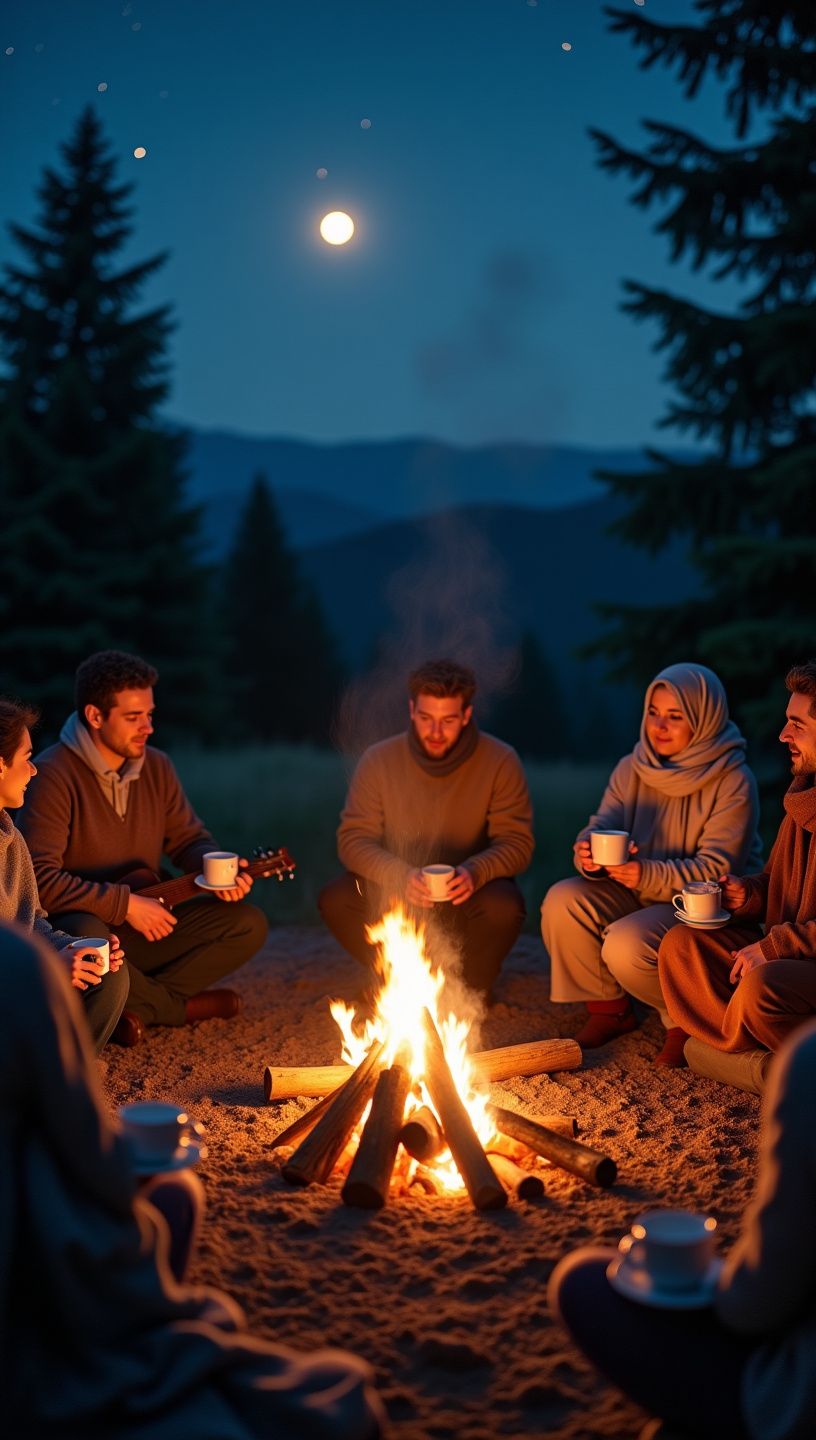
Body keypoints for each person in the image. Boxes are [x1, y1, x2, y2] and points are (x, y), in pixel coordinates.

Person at [0, 920, 384, 1440]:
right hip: (34, 1353)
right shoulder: (17, 969)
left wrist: (63, 946)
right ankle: (175, 1007)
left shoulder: (17, 934)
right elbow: (77, 1149)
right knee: (336, 1390)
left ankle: (162, 1004)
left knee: (182, 946)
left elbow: (36, 916)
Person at [549, 1017, 816, 1440]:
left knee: (580, 1280)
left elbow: (755, 1308)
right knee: (694, 1031)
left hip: (797, 1401)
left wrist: (706, 1284)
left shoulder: (809, 1061)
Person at [18, 650, 268, 1046]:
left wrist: (214, 865)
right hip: (84, 923)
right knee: (98, 949)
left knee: (247, 924)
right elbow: (38, 881)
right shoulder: (52, 774)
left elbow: (188, 838)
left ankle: (132, 1005)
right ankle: (175, 1008)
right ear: (95, 716)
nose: (148, 727)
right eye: (133, 717)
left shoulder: (157, 766)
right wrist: (125, 905)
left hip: (149, 914)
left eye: (149, 714)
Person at [541, 664, 762, 1065]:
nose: (659, 726)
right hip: (638, 890)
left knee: (626, 944)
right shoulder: (633, 767)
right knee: (563, 900)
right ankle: (610, 1010)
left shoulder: (733, 779)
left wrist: (645, 873)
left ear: (704, 718)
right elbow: (603, 823)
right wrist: (588, 851)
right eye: (653, 713)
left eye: (675, 716)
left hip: (702, 909)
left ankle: (685, 1021)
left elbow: (717, 869)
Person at [319, 658, 534, 999]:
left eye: (448, 720)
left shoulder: (499, 760)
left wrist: (475, 872)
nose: (435, 732)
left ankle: (469, 989)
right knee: (337, 898)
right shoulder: (379, 760)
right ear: (411, 710)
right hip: (399, 894)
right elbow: (353, 840)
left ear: (466, 715)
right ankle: (396, 981)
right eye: (425, 718)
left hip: (467, 895)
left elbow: (517, 843)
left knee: (504, 906)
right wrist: (400, 876)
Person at [658, 661, 816, 1085]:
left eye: (797, 725)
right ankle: (762, 1047)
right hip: (791, 959)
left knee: (762, 988)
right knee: (682, 946)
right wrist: (749, 895)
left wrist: (776, 946)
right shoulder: (803, 800)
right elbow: (779, 883)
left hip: (795, 964)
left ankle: (758, 1056)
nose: (783, 735)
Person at [0, 696, 128, 1051]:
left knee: (107, 975)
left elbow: (32, 923)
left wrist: (71, 948)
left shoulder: (11, 838)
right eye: (27, 758)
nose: (34, 770)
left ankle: (64, 1070)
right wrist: (48, 968)